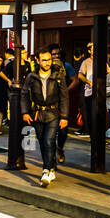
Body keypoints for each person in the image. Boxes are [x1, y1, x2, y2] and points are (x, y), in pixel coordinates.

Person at [20, 47, 69, 187]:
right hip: (37, 113)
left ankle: (46, 170)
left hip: (53, 113)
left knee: (49, 140)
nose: (47, 63)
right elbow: (24, 95)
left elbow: (64, 97)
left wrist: (64, 116)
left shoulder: (58, 75)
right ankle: (51, 166)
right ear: (38, 60)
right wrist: (25, 112)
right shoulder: (31, 76)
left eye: (49, 60)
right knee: (42, 142)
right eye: (44, 60)